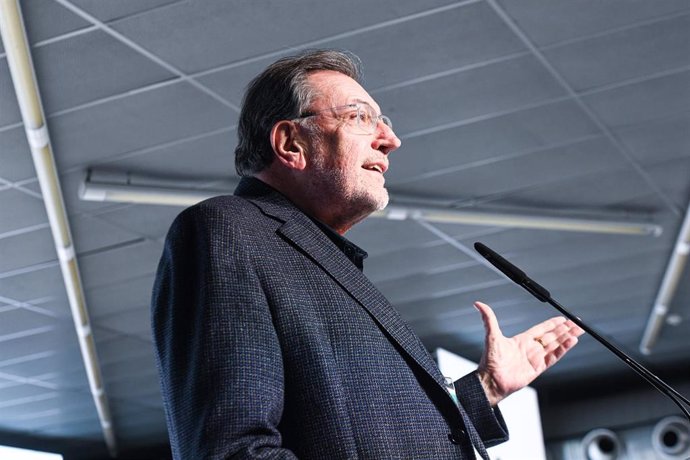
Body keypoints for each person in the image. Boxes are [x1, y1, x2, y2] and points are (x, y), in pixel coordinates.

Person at [151, 49, 584, 459]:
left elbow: (366, 437)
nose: (390, 140)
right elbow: (231, 448)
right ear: (290, 143)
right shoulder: (228, 230)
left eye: (384, 122)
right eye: (360, 117)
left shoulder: (321, 257)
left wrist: (486, 388)